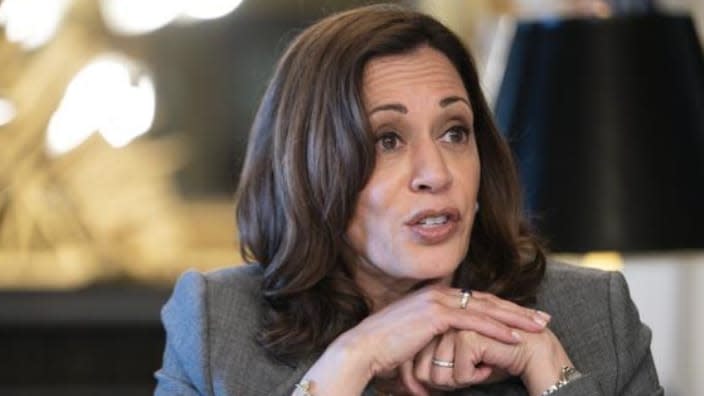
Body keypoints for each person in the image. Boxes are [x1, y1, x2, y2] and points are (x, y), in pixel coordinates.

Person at [154, 4, 663, 396]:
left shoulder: (593, 315)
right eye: (388, 140)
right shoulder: (217, 325)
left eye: (454, 132)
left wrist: (548, 367)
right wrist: (352, 358)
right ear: (310, 170)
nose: (435, 174)